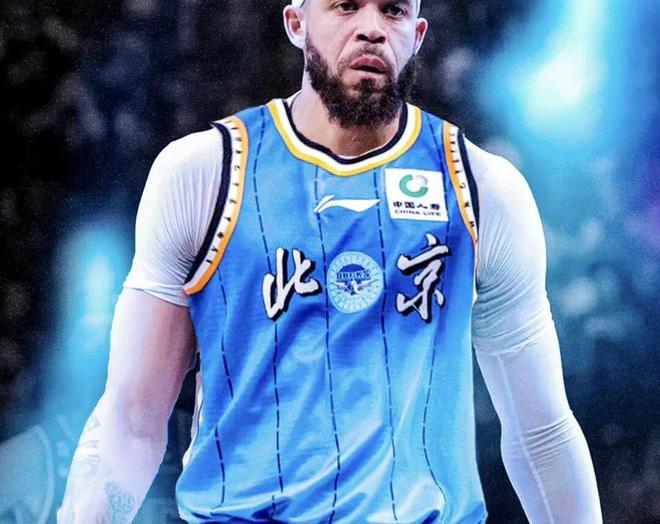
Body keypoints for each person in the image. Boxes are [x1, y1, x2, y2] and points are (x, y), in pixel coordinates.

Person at [58, 0, 603, 522]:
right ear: (296, 24)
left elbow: (541, 432)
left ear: (417, 36)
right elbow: (132, 418)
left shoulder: (481, 189)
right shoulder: (205, 173)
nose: (372, 28)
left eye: (393, 10)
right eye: (345, 5)